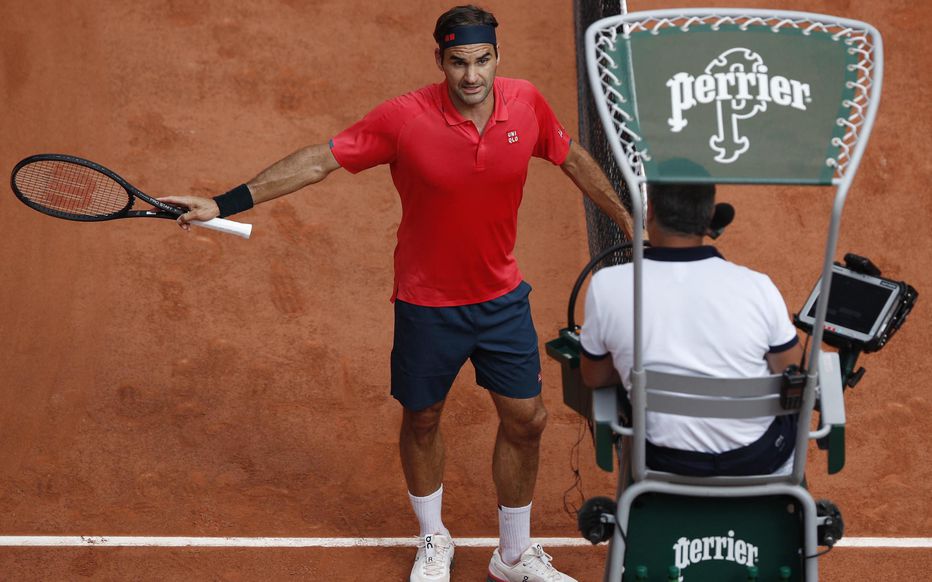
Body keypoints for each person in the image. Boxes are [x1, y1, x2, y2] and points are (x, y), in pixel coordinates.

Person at [161, 5, 632, 582]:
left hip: (501, 297)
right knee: (424, 416)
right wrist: (222, 202)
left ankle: (512, 555)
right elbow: (317, 162)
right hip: (427, 302)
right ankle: (433, 537)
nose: (471, 77)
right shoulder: (403, 118)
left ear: (497, 58)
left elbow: (572, 157)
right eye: (458, 63)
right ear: (439, 60)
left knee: (526, 419)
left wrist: (630, 219)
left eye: (482, 61)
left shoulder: (526, 103)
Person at [578, 180, 802, 478]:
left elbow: (594, 376)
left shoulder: (607, 286)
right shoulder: (759, 287)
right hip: (758, 460)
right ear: (710, 218)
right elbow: (791, 371)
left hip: (663, 463)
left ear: (651, 211)